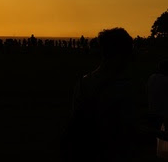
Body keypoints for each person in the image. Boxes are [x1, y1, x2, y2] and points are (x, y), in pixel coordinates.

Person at [62, 28, 137, 162]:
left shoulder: (83, 83)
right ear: (121, 53)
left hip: (86, 151)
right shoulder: (123, 87)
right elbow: (126, 130)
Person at [148, 60, 168, 159]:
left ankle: (153, 154)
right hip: (163, 111)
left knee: (153, 134)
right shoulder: (165, 80)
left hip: (153, 110)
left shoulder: (152, 78)